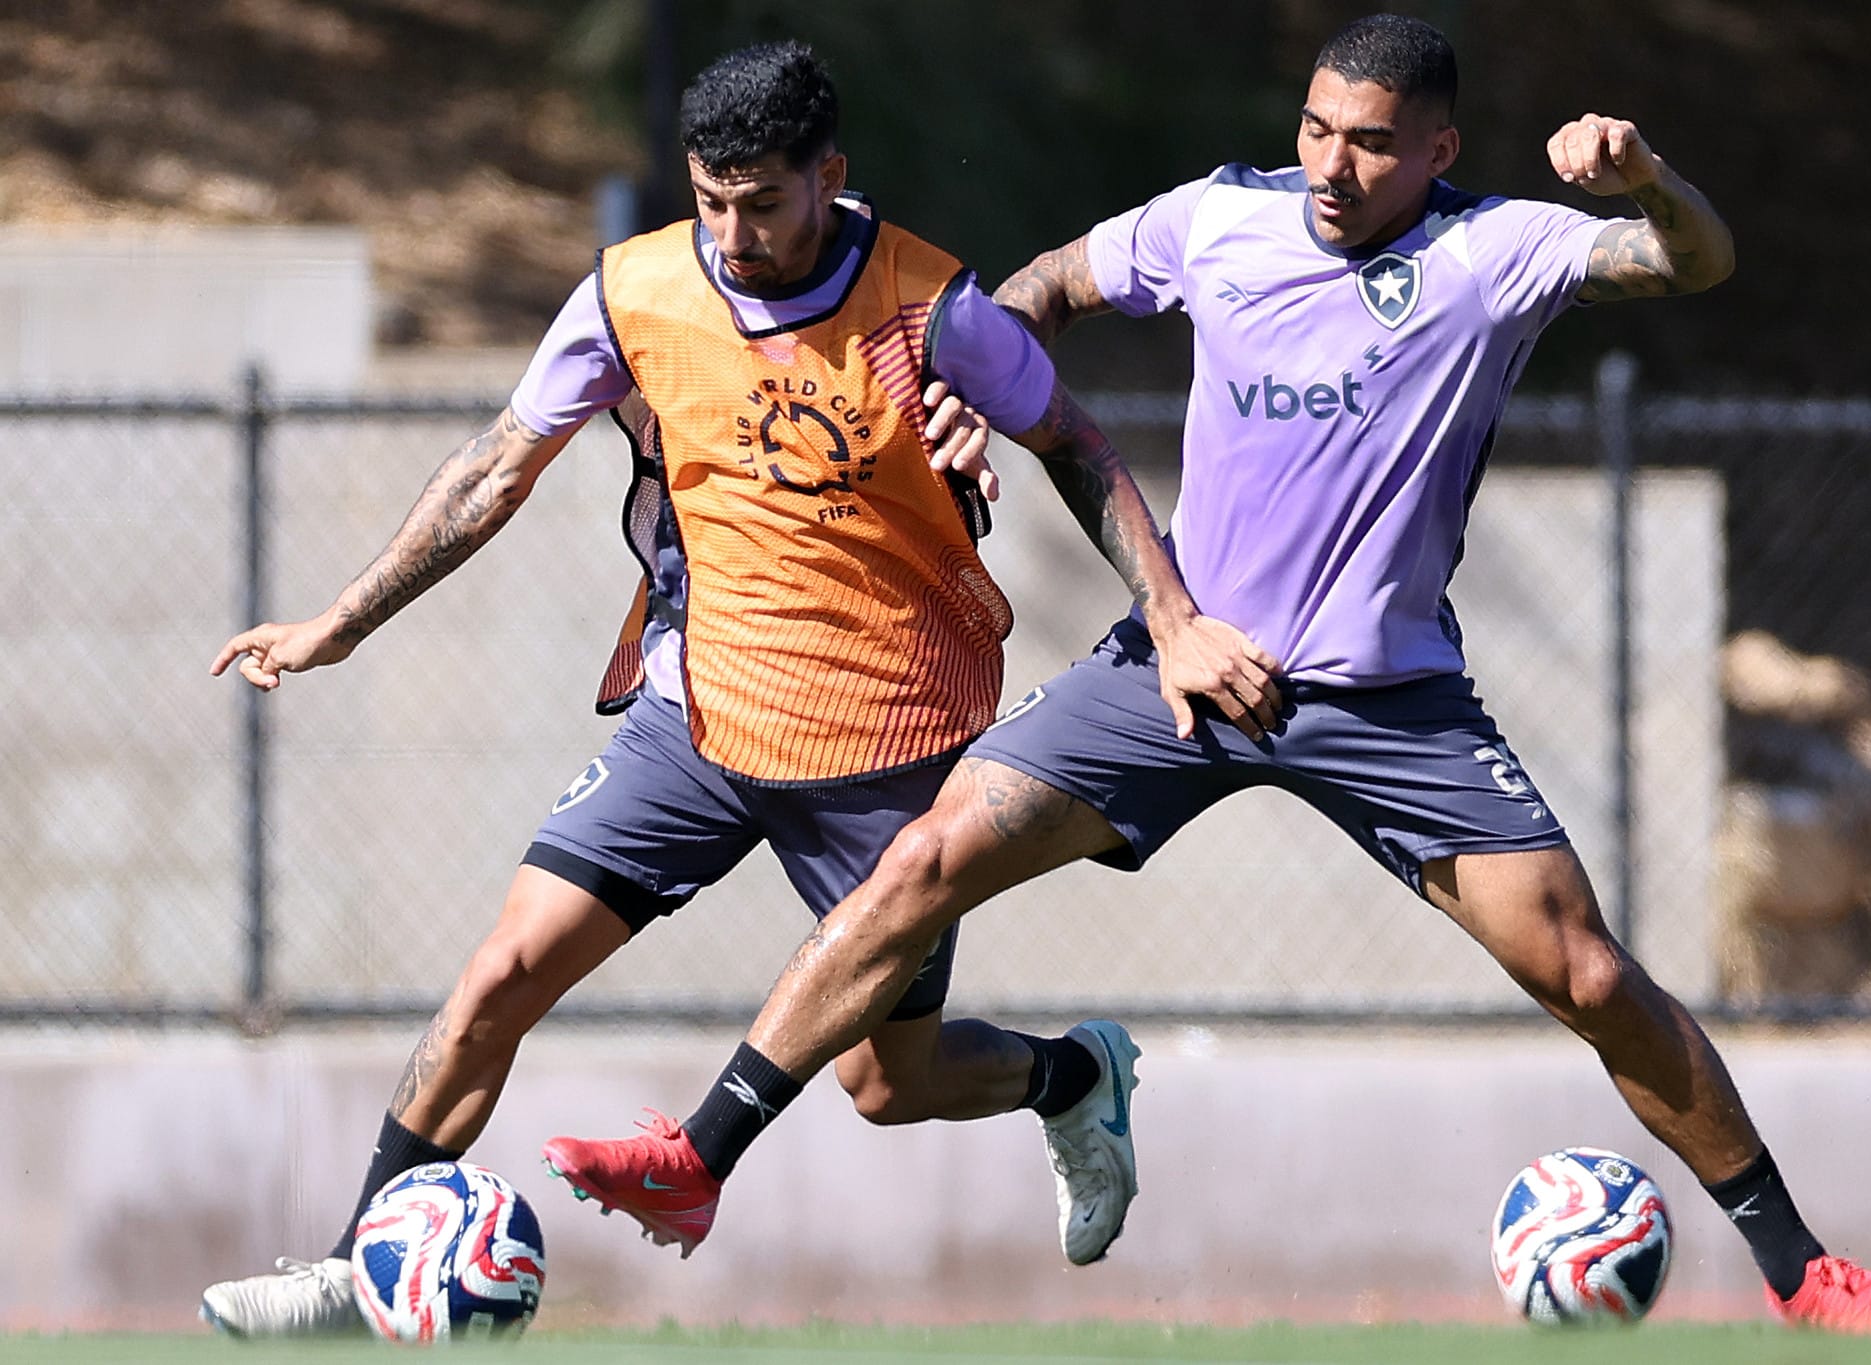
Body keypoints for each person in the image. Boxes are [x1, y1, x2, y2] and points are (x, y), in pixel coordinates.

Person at [546, 14, 1871, 1336]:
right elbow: (1042, 286)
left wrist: (1648, 179)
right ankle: (698, 1153)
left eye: (1373, 141)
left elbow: (1695, 262)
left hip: (1385, 699)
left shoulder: (1500, 252)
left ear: (1439, 154)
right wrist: (971, 388)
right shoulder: (1221, 216)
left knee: (1587, 969)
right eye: (1317, 128)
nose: (1332, 164)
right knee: (920, 865)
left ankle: (1800, 1269)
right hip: (1181, 661)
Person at [197, 40, 1278, 1337]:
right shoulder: (636, 292)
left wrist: (1172, 619)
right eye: (711, 201)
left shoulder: (929, 305)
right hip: (697, 712)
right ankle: (344, 1263)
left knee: (892, 1081)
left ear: (829, 176)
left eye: (760, 203)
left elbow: (1079, 446)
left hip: (890, 735)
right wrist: (341, 622)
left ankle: (1069, 1072)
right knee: (501, 972)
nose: (733, 232)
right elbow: (497, 466)